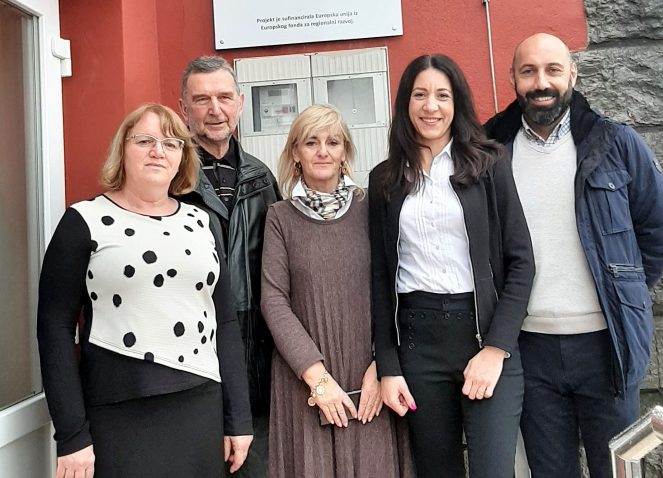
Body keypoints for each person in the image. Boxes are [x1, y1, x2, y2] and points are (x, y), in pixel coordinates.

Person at [484, 33, 663, 478]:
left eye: (553, 69)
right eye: (528, 71)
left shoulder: (615, 142)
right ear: (513, 78)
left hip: (606, 347)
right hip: (527, 348)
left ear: (572, 73)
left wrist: (620, 289)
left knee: (617, 470)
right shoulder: (489, 149)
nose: (541, 82)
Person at [37, 103, 253, 478]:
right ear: (122, 149)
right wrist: (71, 435)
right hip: (118, 412)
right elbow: (54, 329)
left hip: (200, 406)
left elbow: (225, 321)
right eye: (145, 141)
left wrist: (239, 418)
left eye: (171, 144)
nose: (158, 151)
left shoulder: (199, 221)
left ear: (182, 158)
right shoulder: (83, 221)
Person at [369, 54, 535, 478]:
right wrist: (388, 366)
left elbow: (522, 263)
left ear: (456, 103)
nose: (431, 106)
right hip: (419, 347)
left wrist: (496, 349)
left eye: (442, 95)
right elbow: (379, 278)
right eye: (420, 95)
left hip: (483, 338)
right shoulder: (385, 179)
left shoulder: (488, 164)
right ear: (405, 103)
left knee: (493, 470)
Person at [260, 104, 413, 478]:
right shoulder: (279, 217)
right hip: (306, 381)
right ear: (295, 152)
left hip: (369, 378)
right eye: (311, 143)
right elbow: (273, 300)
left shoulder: (371, 208)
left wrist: (383, 365)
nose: (323, 151)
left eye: (332, 142)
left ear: (345, 150)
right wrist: (318, 380)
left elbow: (397, 285)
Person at [179, 56, 280, 477]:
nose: (214, 110)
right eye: (201, 100)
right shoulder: (170, 180)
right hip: (193, 352)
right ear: (183, 107)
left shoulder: (262, 178)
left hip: (258, 355)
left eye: (223, 98)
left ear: (240, 103)